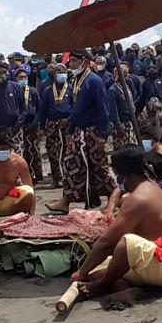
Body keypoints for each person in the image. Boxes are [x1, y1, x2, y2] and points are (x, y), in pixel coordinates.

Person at [72, 144, 162, 297]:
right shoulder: (148, 186)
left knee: (126, 243)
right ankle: (123, 288)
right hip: (156, 261)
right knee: (98, 265)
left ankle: (102, 285)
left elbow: (107, 242)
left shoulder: (139, 197)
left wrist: (81, 273)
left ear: (122, 175)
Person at [47, 52, 113, 212]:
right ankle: (66, 200)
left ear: (84, 61)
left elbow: (103, 109)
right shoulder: (76, 80)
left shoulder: (95, 81)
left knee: (98, 167)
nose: (71, 64)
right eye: (70, 61)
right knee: (72, 164)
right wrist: (70, 131)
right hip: (78, 131)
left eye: (74, 61)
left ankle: (114, 198)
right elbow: (76, 110)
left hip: (92, 132)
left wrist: (103, 134)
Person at [37, 66, 71, 189]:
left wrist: (69, 120)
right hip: (52, 125)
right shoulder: (47, 90)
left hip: (68, 125)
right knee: (52, 153)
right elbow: (43, 111)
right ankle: (56, 180)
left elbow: (76, 107)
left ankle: (68, 179)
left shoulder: (71, 88)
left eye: (63, 72)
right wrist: (41, 127)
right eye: (58, 72)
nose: (61, 74)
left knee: (68, 152)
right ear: (54, 75)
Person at [14, 69, 43, 185]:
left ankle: (37, 175)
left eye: (25, 77)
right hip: (20, 127)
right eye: (20, 77)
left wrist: (35, 123)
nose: (23, 79)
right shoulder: (15, 92)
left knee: (34, 150)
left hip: (33, 126)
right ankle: (26, 175)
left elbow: (39, 109)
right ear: (16, 79)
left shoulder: (33, 91)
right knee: (23, 151)